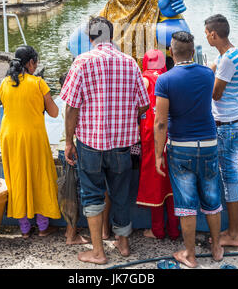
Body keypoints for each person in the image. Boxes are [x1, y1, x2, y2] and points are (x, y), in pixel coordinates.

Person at [60, 16, 150, 265]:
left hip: (90, 144)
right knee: (121, 194)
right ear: (111, 36)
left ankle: (98, 251)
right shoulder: (130, 63)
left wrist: (69, 142)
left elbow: (71, 107)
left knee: (92, 196)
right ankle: (123, 244)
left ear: (90, 38)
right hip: (123, 144)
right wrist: (127, 117)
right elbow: (144, 104)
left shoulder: (82, 62)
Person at [154, 31, 224, 268]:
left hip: (180, 147)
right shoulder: (207, 74)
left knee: (186, 205)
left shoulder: (165, 80)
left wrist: (157, 155)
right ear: (193, 52)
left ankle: (191, 256)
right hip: (208, 144)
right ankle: (216, 249)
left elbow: (161, 122)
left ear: (171, 52)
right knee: (212, 199)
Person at [0, 45, 61, 238]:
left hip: (9, 137)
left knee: (17, 178)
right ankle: (43, 227)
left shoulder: (4, 83)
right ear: (31, 63)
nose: (36, 66)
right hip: (33, 137)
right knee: (39, 177)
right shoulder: (38, 83)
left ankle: (24, 229)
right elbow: (54, 112)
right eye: (36, 62)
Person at [205, 14, 238, 247]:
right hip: (235, 122)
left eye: (206, 34)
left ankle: (232, 234)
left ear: (213, 34)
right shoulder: (229, 54)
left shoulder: (227, 60)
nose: (206, 38)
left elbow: (215, 93)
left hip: (227, 127)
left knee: (230, 179)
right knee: (237, 178)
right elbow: (211, 68)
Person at [136, 49, 180, 240]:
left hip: (150, 135)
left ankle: (157, 230)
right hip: (171, 135)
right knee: (172, 184)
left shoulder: (143, 79)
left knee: (155, 182)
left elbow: (135, 108)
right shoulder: (170, 79)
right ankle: (174, 230)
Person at [57, 72, 90, 245]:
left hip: (65, 149)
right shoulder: (72, 105)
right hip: (74, 150)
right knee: (74, 192)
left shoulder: (65, 103)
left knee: (71, 191)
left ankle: (70, 231)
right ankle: (71, 234)